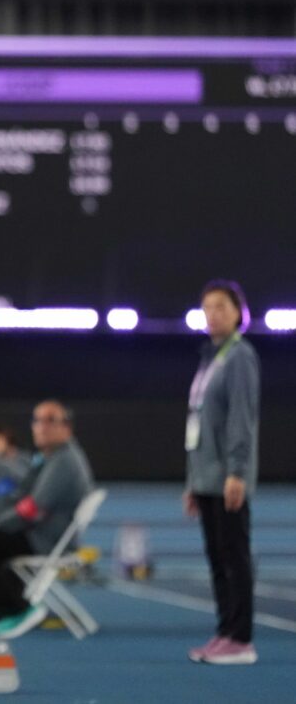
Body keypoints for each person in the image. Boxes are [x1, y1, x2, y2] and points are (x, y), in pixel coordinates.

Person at [0, 399, 93, 639]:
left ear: (67, 427)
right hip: (41, 534)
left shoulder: (64, 461)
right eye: (37, 420)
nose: (41, 427)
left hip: (45, 540)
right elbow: (23, 495)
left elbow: (32, 509)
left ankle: (19, 610)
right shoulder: (51, 457)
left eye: (50, 421)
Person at [184, 280, 260, 665]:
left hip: (227, 477)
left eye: (220, 307)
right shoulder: (209, 358)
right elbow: (198, 424)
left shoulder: (240, 357)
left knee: (235, 556)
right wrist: (192, 481)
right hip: (207, 477)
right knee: (217, 557)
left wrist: (237, 472)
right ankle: (225, 632)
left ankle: (242, 638)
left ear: (238, 313)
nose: (212, 314)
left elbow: (240, 421)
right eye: (207, 307)